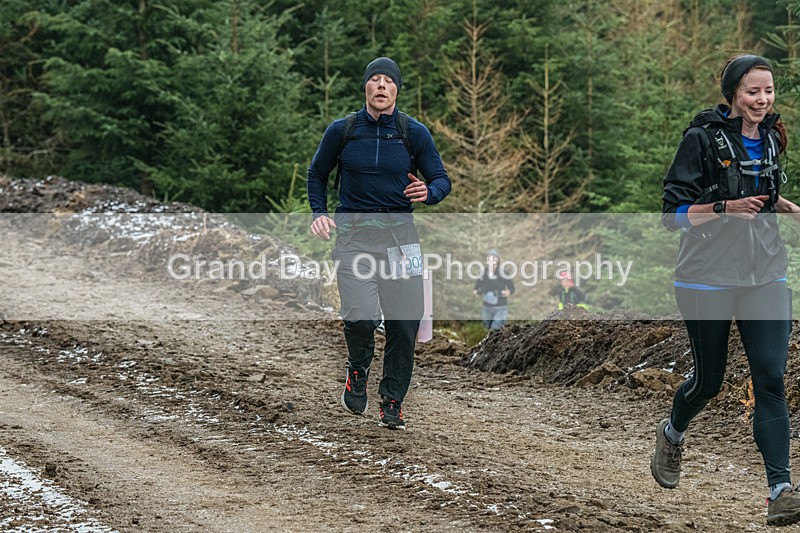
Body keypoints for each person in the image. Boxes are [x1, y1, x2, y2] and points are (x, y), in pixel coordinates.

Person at [656, 54, 800, 526]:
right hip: (706, 278)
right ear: (733, 94)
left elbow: (763, 194)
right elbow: (671, 216)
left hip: (766, 275)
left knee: (770, 379)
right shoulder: (700, 140)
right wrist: (724, 208)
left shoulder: (772, 138)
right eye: (753, 92)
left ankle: (780, 490)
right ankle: (673, 433)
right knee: (710, 381)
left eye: (768, 91)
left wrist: (788, 208)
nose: (762, 100)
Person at [307, 57, 451, 430]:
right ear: (366, 87)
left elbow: (441, 179)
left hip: (401, 240)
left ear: (397, 89)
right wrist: (319, 213)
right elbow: (317, 173)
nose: (382, 85)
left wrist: (429, 191)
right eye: (375, 79)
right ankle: (358, 371)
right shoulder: (343, 131)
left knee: (405, 321)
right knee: (361, 315)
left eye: (389, 80)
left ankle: (392, 401)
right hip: (354, 236)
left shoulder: (413, 133)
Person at [473, 249, 515, 330]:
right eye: (490, 258)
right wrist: (477, 292)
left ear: (498, 260)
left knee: (496, 330)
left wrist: (507, 292)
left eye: (494, 258)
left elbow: (512, 289)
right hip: (487, 306)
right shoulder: (483, 273)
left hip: (500, 306)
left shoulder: (503, 273)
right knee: (485, 329)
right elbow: (476, 288)